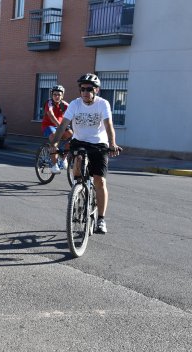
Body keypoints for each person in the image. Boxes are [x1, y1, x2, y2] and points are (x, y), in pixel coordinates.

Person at [52, 73, 122, 234]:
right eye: (82, 89)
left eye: (89, 89)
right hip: (80, 141)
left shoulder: (102, 104)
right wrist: (54, 143)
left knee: (100, 181)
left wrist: (112, 144)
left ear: (96, 90)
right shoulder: (75, 104)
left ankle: (101, 219)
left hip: (99, 143)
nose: (85, 92)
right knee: (77, 166)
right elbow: (63, 125)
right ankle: (79, 189)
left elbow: (108, 124)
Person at [41, 85, 72, 173]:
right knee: (54, 138)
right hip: (48, 126)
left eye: (59, 95)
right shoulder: (49, 103)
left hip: (60, 126)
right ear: (52, 95)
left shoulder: (65, 105)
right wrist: (60, 127)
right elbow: (51, 115)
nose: (56, 96)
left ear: (62, 96)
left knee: (72, 136)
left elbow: (74, 114)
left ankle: (63, 158)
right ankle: (54, 165)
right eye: (55, 95)